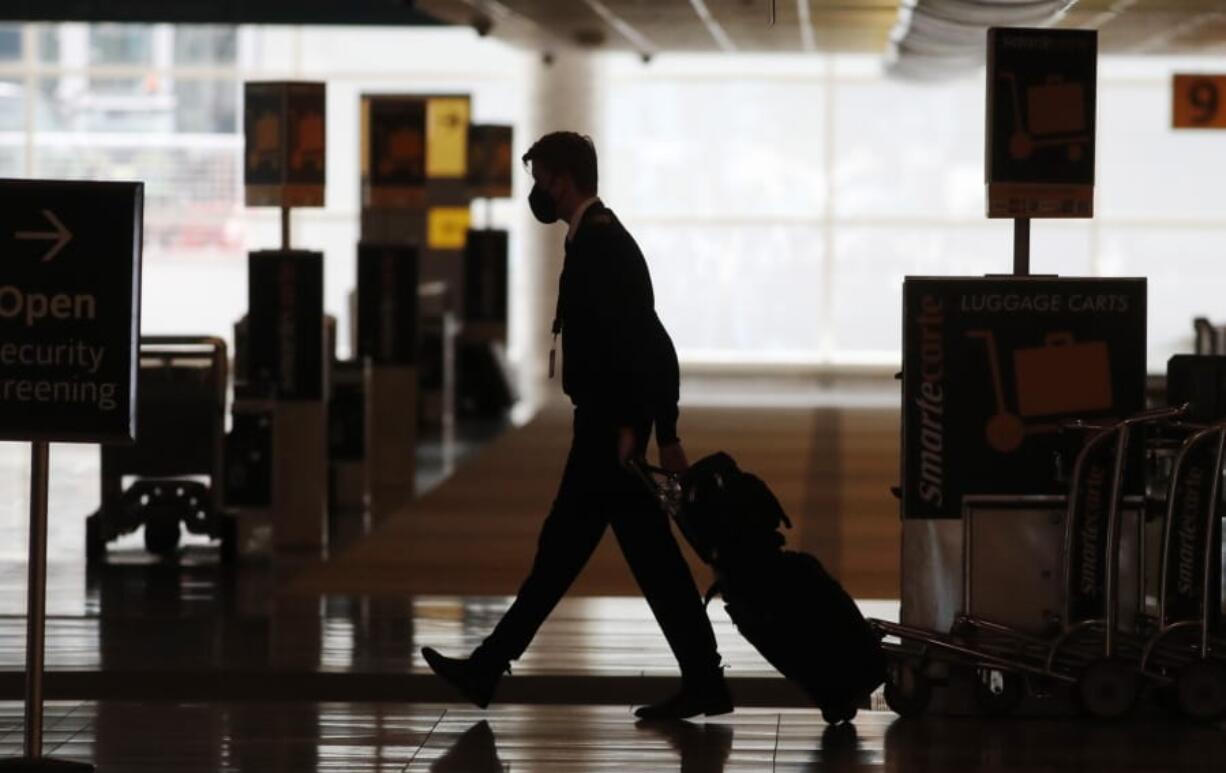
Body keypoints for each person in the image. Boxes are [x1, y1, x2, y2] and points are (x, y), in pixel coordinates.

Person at [422, 131, 731, 721]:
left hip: (606, 434)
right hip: (606, 428)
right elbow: (644, 344)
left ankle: (488, 666)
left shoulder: (603, 245)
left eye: (539, 176)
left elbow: (643, 345)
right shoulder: (592, 239)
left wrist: (643, 429)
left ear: (562, 179)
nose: (535, 189)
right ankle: (703, 679)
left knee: (567, 555)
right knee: (638, 559)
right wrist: (655, 430)